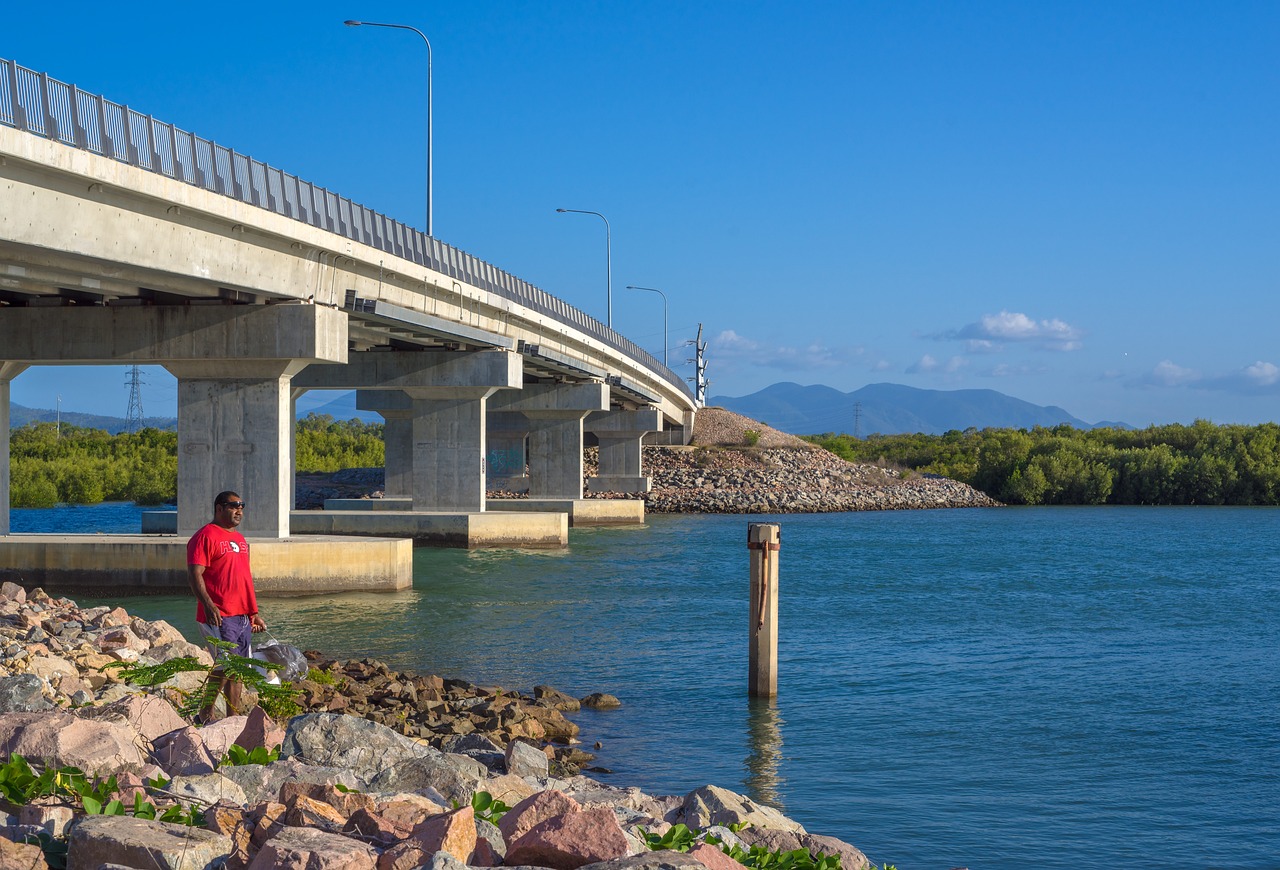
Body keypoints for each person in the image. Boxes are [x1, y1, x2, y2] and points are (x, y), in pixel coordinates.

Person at [187, 490, 265, 715]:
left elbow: (242, 579)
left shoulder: (240, 540)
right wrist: (209, 606)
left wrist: (253, 613)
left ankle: (211, 714)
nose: (239, 510)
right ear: (219, 508)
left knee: (234, 669)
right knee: (230, 668)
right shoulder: (205, 536)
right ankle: (227, 717)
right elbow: (195, 574)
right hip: (219, 615)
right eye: (233, 506)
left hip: (242, 616)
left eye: (241, 506)